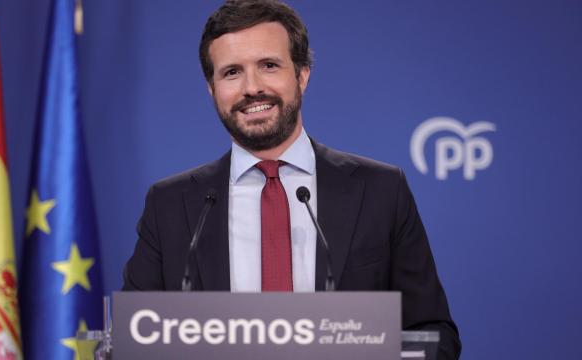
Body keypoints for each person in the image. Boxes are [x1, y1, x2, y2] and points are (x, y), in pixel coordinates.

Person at [122, 0, 460, 358]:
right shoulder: (171, 205)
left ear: (302, 75)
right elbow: (136, 339)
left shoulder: (380, 191)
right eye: (231, 72)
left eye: (268, 66)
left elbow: (432, 334)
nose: (251, 88)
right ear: (212, 89)